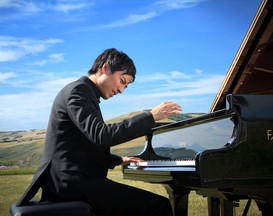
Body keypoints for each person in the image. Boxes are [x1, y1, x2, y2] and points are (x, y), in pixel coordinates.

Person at [17, 48, 182, 216]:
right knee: (159, 206)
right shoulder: (78, 91)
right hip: (70, 184)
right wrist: (150, 117)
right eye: (122, 81)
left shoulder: (85, 92)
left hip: (72, 180)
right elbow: (101, 135)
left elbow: (81, 146)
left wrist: (118, 160)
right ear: (105, 68)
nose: (121, 90)